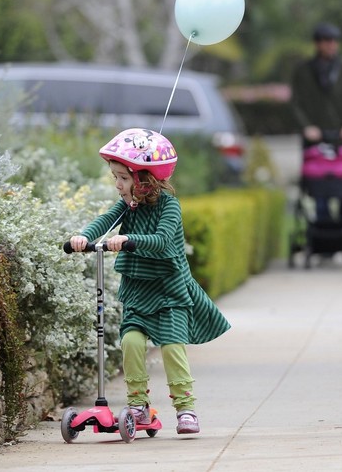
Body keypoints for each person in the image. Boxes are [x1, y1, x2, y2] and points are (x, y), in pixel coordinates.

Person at [69, 128, 231, 435]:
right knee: (130, 342)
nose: (117, 184)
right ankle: (138, 407)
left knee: (171, 347)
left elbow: (161, 240)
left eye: (123, 178)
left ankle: (186, 409)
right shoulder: (128, 205)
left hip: (169, 291)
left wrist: (130, 239)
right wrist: (84, 237)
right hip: (139, 290)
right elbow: (105, 221)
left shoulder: (169, 206)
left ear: (144, 180)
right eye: (115, 177)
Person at [291, 22, 342, 222]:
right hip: (314, 139)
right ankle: (324, 231)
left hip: (340, 139)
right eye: (327, 41)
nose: (332, 45)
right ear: (318, 44)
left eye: (334, 41)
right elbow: (295, 103)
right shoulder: (303, 71)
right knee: (318, 185)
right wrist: (306, 127)